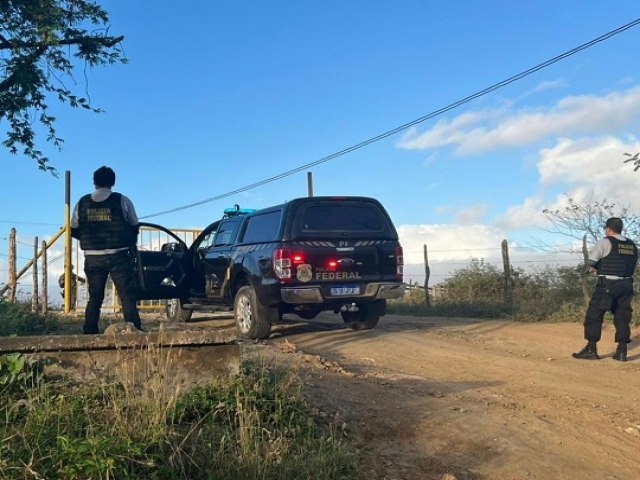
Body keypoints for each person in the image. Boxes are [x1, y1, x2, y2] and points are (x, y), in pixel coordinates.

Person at [71, 166, 143, 334]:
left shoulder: (82, 202)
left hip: (92, 257)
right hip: (119, 255)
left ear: (94, 182)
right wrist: (131, 245)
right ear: (113, 182)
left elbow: (74, 228)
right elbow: (134, 226)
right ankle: (134, 329)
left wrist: (89, 241)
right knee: (126, 295)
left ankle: (89, 330)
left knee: (95, 296)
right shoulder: (122, 200)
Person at [573, 217, 638, 362]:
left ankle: (591, 349)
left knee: (594, 315)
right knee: (622, 316)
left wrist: (591, 270)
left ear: (608, 229)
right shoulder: (631, 245)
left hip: (607, 285)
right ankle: (622, 352)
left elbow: (590, 264)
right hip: (626, 285)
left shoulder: (605, 242)